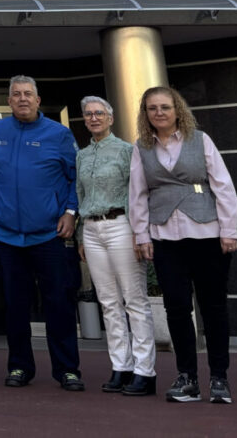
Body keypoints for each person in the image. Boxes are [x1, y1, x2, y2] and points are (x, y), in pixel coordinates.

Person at [128, 85, 237, 404]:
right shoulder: (141, 148)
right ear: (145, 114)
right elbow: (137, 195)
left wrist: (228, 229)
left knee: (213, 307)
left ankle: (219, 377)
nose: (159, 113)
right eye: (152, 108)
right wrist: (141, 234)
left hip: (207, 234)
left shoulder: (200, 141)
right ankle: (187, 377)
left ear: (178, 110)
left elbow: (224, 186)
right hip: (165, 238)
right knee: (176, 308)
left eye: (164, 107)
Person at [0, 75, 83, 391]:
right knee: (15, 306)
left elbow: (76, 179)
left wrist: (70, 212)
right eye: (16, 94)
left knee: (58, 304)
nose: (22, 98)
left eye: (28, 94)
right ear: (9, 101)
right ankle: (19, 367)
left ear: (38, 100)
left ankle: (67, 369)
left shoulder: (59, 134)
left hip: (48, 235)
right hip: (7, 237)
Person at [76, 95, 156, 396]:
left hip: (122, 225)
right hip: (93, 229)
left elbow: (139, 193)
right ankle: (120, 366)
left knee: (134, 300)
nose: (93, 118)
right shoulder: (82, 155)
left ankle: (144, 371)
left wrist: (140, 233)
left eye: (99, 113)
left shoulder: (127, 151)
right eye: (88, 114)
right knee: (108, 302)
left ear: (110, 118)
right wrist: (82, 232)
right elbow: (80, 194)